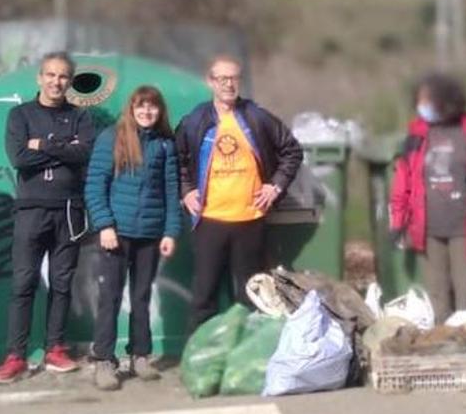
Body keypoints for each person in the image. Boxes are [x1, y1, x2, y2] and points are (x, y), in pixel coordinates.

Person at [174, 55, 303, 332]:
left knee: (251, 295)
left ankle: (244, 361)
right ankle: (199, 360)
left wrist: (276, 185)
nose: (228, 84)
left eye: (233, 78)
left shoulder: (257, 118)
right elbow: (178, 159)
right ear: (211, 81)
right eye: (222, 78)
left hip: (250, 220)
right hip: (209, 220)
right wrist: (185, 191)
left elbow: (292, 151)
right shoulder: (196, 120)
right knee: (204, 296)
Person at [0, 52, 94, 384]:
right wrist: (62, 146)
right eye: (50, 75)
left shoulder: (80, 116)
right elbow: (20, 158)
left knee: (62, 284)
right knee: (24, 283)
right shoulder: (19, 115)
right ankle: (15, 356)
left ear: (70, 81)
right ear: (39, 78)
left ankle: (55, 349)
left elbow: (84, 153)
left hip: (69, 210)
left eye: (63, 77)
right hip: (31, 210)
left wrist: (44, 144)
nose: (56, 82)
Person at [388, 73, 466, 324]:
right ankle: (442, 341)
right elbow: (403, 181)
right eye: (420, 101)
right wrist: (397, 222)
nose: (423, 106)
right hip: (428, 229)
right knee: (436, 292)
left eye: (427, 100)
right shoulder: (417, 134)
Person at [84, 85, 181, 390]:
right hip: (117, 234)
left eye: (152, 107)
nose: (147, 112)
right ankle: (104, 360)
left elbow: (171, 191)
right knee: (109, 298)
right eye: (141, 106)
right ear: (131, 108)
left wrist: (170, 231)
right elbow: (94, 186)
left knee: (141, 297)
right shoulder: (111, 138)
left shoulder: (165, 145)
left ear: (160, 111)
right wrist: (105, 225)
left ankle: (140, 356)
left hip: (150, 236)